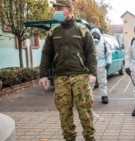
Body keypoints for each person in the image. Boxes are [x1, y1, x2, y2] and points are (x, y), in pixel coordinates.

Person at [38, 0, 97, 141]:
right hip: (61, 78)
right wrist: (43, 75)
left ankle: (90, 138)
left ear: (70, 10)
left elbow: (91, 53)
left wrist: (92, 73)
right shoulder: (53, 32)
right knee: (64, 113)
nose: (57, 11)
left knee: (85, 111)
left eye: (60, 8)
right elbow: (46, 54)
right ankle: (69, 138)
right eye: (56, 8)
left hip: (80, 78)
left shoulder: (82, 30)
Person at [91, 27, 112, 104]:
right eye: (93, 35)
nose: (95, 36)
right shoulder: (89, 43)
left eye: (96, 35)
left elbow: (109, 54)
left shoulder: (104, 43)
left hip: (102, 64)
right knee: (90, 81)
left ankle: (104, 96)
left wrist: (108, 62)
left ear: (99, 35)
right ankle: (89, 96)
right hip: (91, 65)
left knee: (102, 81)